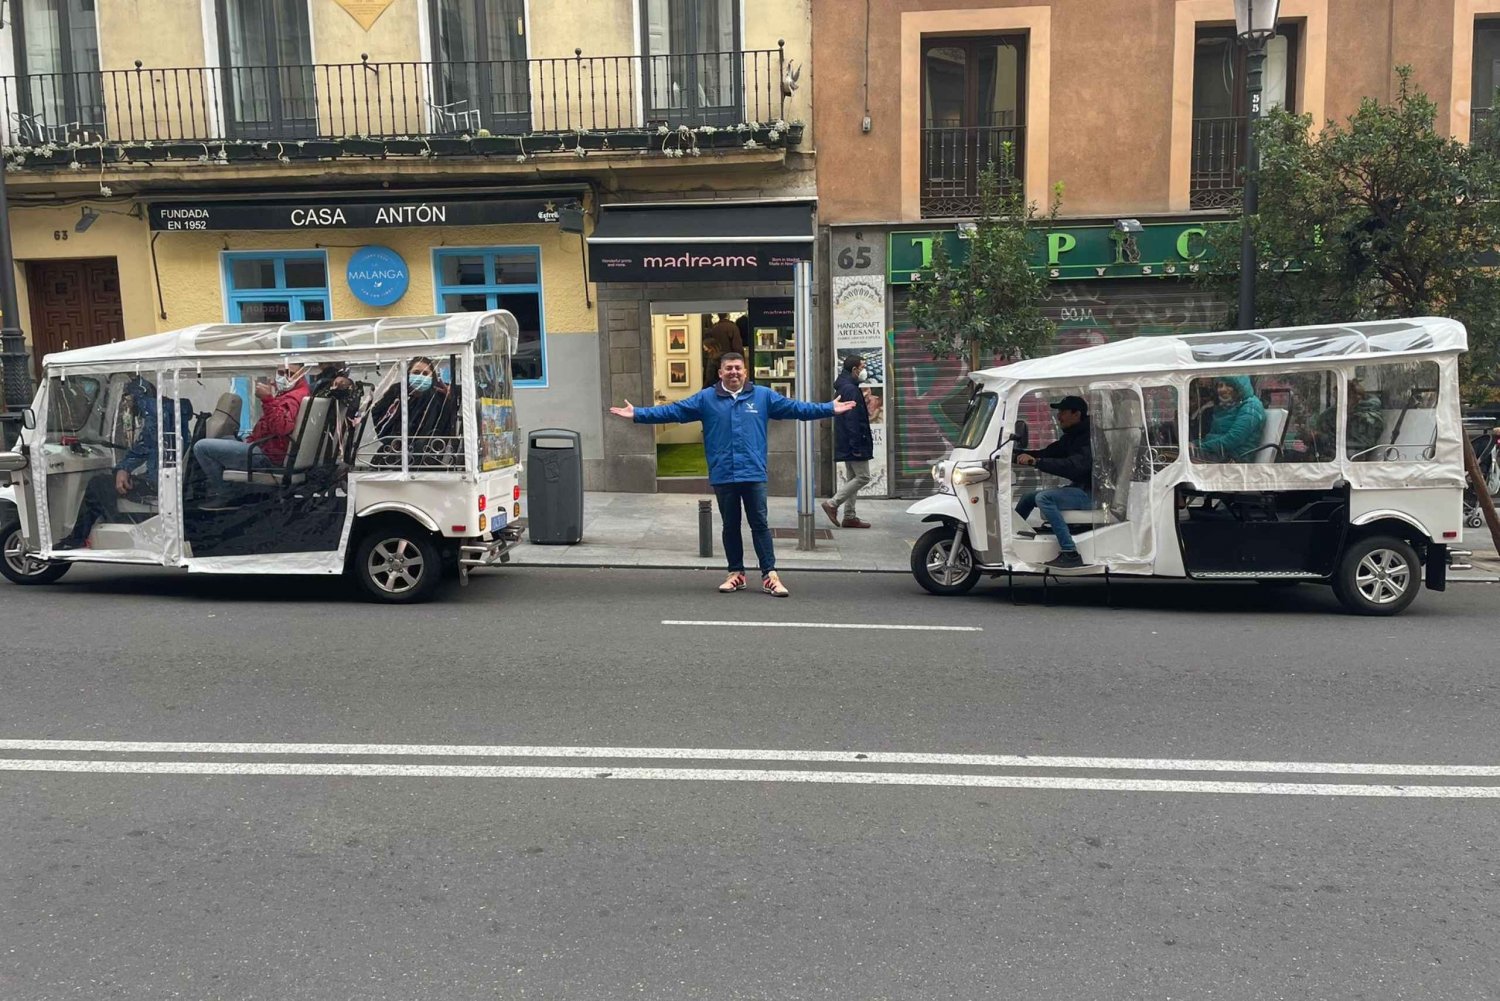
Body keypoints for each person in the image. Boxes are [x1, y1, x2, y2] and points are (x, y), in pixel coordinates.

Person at [610, 351, 856, 597]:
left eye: (738, 368)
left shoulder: (762, 396)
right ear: (720, 373)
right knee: (730, 526)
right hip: (723, 472)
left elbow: (796, 408)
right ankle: (736, 573)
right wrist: (638, 414)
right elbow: (673, 411)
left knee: (759, 524)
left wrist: (829, 408)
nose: (734, 372)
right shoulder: (706, 399)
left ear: (745, 371)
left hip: (753, 472)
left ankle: (769, 575)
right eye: (728, 368)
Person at [55, 375, 191, 549]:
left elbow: (145, 445)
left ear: (136, 397)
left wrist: (123, 468)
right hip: (168, 476)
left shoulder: (154, 412)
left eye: (127, 399)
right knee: (108, 481)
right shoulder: (171, 410)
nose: (126, 406)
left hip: (158, 481)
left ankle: (82, 536)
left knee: (98, 484)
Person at [191, 364, 311, 506]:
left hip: (268, 457)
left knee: (202, 447)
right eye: (280, 372)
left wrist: (267, 399)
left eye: (289, 373)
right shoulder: (298, 392)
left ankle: (227, 494)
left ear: (300, 374)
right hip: (270, 448)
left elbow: (281, 428)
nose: (281, 378)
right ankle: (240, 490)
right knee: (225, 439)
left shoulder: (292, 398)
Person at [1014, 395, 1095, 570]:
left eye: (1063, 412)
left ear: (1076, 414)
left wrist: (1036, 462)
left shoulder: (1090, 437)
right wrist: (1015, 455)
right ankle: (1009, 538)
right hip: (1079, 489)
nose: (1059, 417)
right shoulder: (1073, 436)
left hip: (1092, 493)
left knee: (1044, 498)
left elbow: (1074, 467)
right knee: (1028, 497)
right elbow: (1048, 453)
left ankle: (1070, 552)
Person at [370, 358, 458, 461]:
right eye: (416, 372)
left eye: (425, 374)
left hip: (427, 457)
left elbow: (447, 425)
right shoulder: (397, 391)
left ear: (432, 376)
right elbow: (379, 416)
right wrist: (393, 440)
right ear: (408, 374)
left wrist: (452, 399)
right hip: (394, 455)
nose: (420, 376)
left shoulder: (439, 396)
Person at [822, 354, 874, 528]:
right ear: (854, 370)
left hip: (847, 440)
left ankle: (850, 516)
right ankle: (833, 503)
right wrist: (856, 445)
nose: (864, 371)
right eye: (862, 367)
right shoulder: (850, 389)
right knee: (863, 477)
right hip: (853, 441)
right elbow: (852, 419)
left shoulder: (846, 386)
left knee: (853, 476)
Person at [1191, 375, 1266, 462]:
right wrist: (1194, 444)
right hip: (1218, 454)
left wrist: (1199, 447)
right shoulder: (1225, 407)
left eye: (1228, 385)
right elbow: (1213, 436)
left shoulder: (1251, 406)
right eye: (1220, 385)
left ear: (1239, 386)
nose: (1222, 389)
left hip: (1235, 460)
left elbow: (1233, 439)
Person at [1308, 377, 1385, 461]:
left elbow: (1362, 443)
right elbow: (1324, 426)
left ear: (1356, 398)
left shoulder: (1369, 419)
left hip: (1354, 458)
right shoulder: (1333, 412)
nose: (1338, 403)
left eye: (1341, 399)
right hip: (1334, 452)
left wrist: (1327, 439)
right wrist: (1317, 436)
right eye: (1337, 399)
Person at [702, 313, 744, 386]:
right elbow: (737, 347)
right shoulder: (732, 327)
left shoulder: (714, 327)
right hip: (729, 358)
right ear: (728, 315)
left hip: (715, 356)